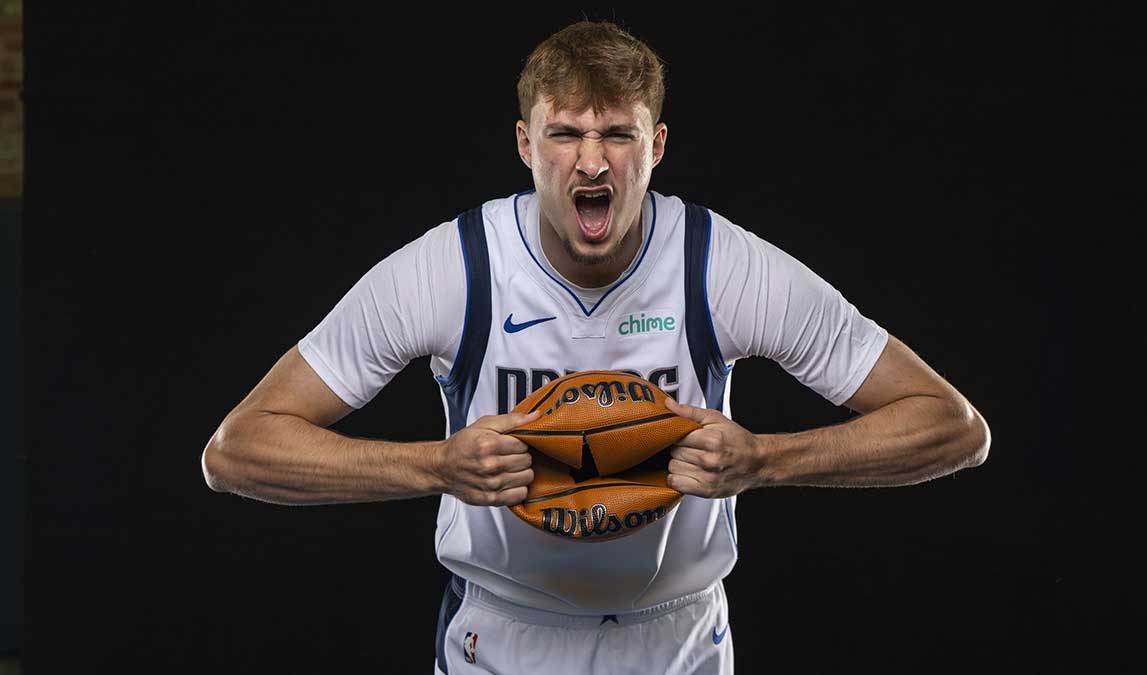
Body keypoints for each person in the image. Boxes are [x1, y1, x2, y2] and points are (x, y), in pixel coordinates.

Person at [201, 20, 990, 675]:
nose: (590, 158)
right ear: (523, 144)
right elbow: (236, 450)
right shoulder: (455, 267)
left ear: (656, 147)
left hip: (676, 640)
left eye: (618, 133)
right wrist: (434, 465)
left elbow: (953, 426)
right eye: (565, 132)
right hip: (502, 639)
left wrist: (767, 459)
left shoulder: (719, 265)